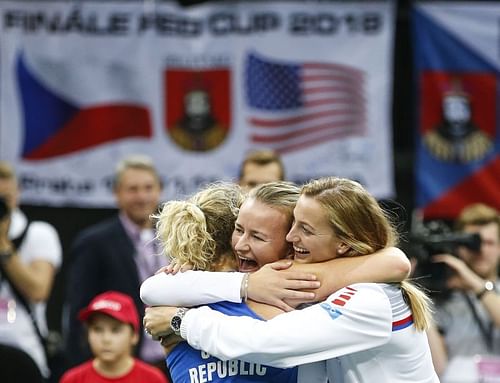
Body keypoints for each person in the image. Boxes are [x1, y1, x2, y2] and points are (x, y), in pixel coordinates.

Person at [145, 177, 439, 382]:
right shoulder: (303, 287)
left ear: (344, 244)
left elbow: (265, 342)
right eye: (294, 222)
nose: (290, 236)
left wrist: (180, 321)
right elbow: (153, 288)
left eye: (306, 229)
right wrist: (245, 284)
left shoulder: (368, 300)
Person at [64, 155, 169, 375]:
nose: (141, 196)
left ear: (159, 190)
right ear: (117, 193)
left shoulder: (176, 237)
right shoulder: (93, 242)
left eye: (148, 188)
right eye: (132, 189)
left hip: (174, 359)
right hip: (121, 367)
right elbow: (79, 310)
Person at [0, 161, 62, 379]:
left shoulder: (38, 233)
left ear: (17, 193)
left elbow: (38, 291)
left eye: (4, 200)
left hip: (25, 353)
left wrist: (3, 244)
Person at [427, 203, 500, 382]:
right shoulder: (443, 300)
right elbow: (438, 368)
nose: (481, 250)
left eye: (489, 243)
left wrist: (476, 285)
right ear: (458, 246)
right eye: (472, 243)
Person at [60, 291, 167, 383]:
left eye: (115, 330)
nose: (106, 339)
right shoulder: (73, 379)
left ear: (134, 335)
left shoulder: (152, 379)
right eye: (97, 329)